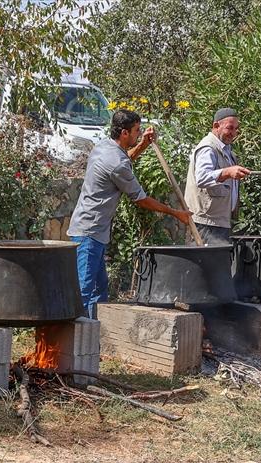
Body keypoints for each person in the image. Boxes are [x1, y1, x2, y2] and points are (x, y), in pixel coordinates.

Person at [66, 110, 192, 318]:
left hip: (91, 231)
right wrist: (175, 212)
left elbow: (123, 163)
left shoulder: (104, 147)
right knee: (85, 291)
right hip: (89, 232)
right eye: (136, 131)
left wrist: (142, 144)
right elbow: (140, 198)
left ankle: (95, 336)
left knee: (99, 289)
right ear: (124, 133)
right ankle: (75, 343)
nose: (138, 133)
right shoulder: (116, 162)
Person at [183, 107, 253, 245]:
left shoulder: (226, 150)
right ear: (216, 126)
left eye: (236, 129)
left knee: (218, 264)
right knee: (208, 264)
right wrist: (227, 172)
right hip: (206, 223)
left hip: (219, 222)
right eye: (230, 128)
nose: (233, 133)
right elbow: (202, 178)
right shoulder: (208, 148)